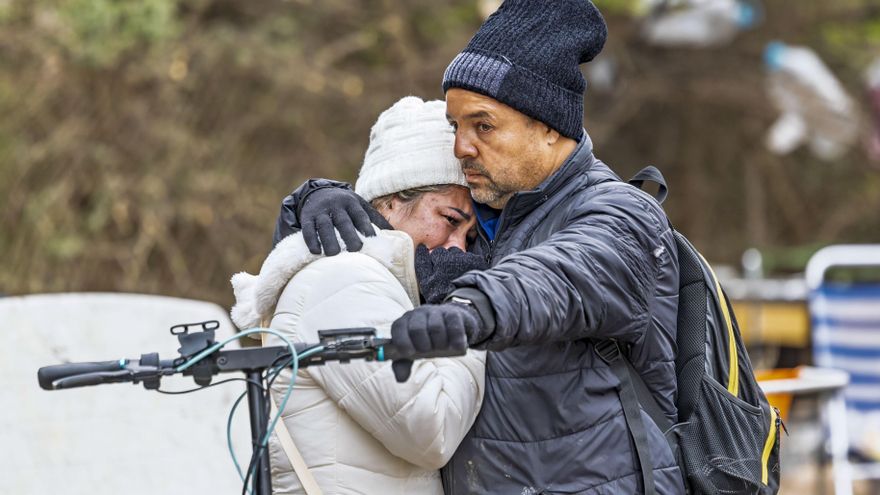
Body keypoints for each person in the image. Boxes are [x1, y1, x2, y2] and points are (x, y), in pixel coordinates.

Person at [274, 1, 685, 494]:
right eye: (456, 126)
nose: (460, 147)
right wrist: (314, 198)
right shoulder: (498, 215)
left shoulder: (620, 213)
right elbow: (400, 217)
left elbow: (564, 274)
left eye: (483, 126)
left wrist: (470, 308)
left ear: (548, 125)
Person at [230, 96, 486, 495]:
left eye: (469, 238)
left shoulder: (373, 282)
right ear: (389, 202)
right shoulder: (345, 279)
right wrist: (467, 307)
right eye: (449, 220)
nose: (458, 250)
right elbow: (431, 427)